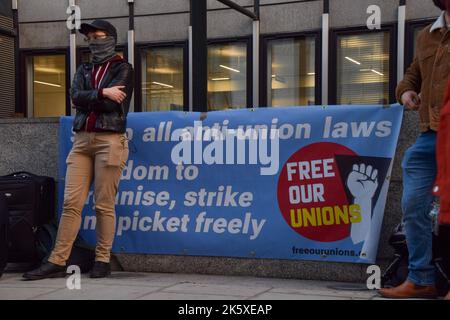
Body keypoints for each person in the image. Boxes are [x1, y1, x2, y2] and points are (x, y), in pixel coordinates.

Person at [23, 20, 134, 280]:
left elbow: (109, 107)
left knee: (103, 205)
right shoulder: (84, 68)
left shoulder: (123, 68)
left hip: (109, 140)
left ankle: (103, 260)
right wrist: (103, 92)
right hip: (82, 141)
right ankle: (57, 259)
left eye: (99, 35)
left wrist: (92, 97)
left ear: (111, 38)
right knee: (71, 203)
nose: (94, 40)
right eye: (90, 37)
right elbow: (74, 97)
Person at [379, 0, 450, 299]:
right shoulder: (426, 35)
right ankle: (421, 277)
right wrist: (405, 92)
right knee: (412, 205)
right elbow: (411, 77)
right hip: (429, 132)